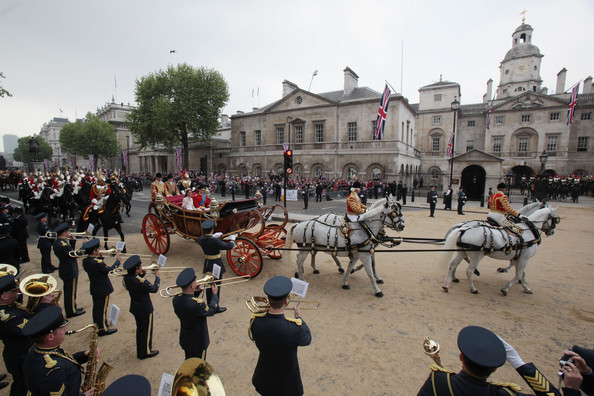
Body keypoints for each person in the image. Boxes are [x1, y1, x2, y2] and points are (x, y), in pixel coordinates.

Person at [418, 325, 582, 396]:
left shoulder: (438, 380)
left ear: (461, 357)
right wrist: (519, 363)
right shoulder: (505, 394)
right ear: (494, 369)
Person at [249, 276, 312, 396]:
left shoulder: (255, 321)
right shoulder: (294, 328)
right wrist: (299, 318)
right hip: (287, 383)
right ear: (286, 302)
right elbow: (307, 339)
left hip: (264, 378)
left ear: (268, 300)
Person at [22, 306, 95, 396]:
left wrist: (83, 355)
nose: (65, 328)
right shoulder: (54, 372)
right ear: (50, 337)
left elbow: (61, 358)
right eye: (61, 327)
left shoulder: (38, 350)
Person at [0, 275, 53, 396]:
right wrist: (45, 305)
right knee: (24, 388)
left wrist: (37, 303)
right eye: (14, 291)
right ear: (4, 296)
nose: (18, 292)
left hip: (23, 352)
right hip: (20, 357)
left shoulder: (10, 305)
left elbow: (27, 315)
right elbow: (32, 328)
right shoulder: (6, 316)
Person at [172, 268, 219, 359]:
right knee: (199, 365)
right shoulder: (198, 305)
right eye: (195, 281)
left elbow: (188, 302)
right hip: (198, 341)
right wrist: (214, 295)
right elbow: (212, 310)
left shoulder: (176, 299)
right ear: (192, 286)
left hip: (186, 339)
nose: (197, 282)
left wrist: (196, 292)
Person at [122, 255, 160, 359]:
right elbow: (154, 289)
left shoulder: (128, 278)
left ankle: (141, 350)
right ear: (136, 269)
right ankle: (146, 351)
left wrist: (142, 276)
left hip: (135, 307)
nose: (142, 268)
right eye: (140, 267)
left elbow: (137, 286)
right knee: (147, 330)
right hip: (145, 308)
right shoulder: (140, 281)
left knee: (140, 330)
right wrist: (157, 277)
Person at [81, 238, 120, 336]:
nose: (99, 250)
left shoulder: (86, 261)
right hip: (102, 287)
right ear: (94, 251)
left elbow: (98, 269)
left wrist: (101, 259)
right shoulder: (97, 263)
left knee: (97, 308)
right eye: (98, 249)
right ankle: (103, 328)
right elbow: (109, 270)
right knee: (102, 309)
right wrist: (117, 262)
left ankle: (97, 326)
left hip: (95, 287)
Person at [196, 220, 236, 313]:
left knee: (208, 284)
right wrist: (233, 240)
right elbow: (229, 246)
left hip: (207, 264)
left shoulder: (201, 239)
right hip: (216, 264)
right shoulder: (215, 241)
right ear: (213, 229)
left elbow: (202, 239)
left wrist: (213, 236)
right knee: (216, 286)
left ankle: (210, 304)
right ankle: (215, 306)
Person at [52, 223, 85, 318]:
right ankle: (71, 311)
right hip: (69, 269)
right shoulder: (62, 244)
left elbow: (70, 253)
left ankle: (72, 307)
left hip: (66, 267)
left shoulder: (59, 242)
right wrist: (84, 246)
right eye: (68, 231)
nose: (69, 233)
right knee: (70, 292)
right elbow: (75, 254)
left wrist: (72, 242)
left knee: (69, 291)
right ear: (64, 232)